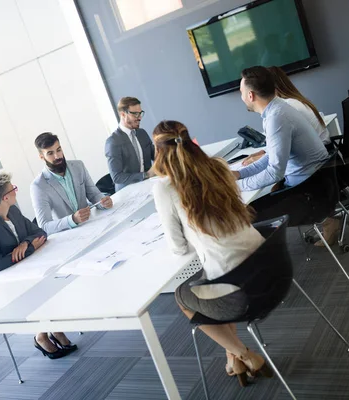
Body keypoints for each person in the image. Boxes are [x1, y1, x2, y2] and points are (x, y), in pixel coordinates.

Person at [152, 120, 277, 387]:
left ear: (158, 151)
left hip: (240, 294)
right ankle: (233, 358)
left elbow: (178, 247)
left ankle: (246, 355)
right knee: (211, 277)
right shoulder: (219, 167)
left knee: (183, 296)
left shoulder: (164, 187)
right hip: (274, 271)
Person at [0, 171, 76, 359]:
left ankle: (52, 328)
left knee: (49, 282)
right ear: (5, 197)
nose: (16, 191)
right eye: (13, 189)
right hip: (2, 279)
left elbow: (39, 232)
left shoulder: (13, 210)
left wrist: (25, 244)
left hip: (22, 266)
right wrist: (30, 249)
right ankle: (41, 335)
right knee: (39, 289)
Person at [233, 66, 328, 193]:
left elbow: (274, 173)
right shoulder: (277, 109)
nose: (242, 97)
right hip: (315, 179)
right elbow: (271, 157)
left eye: (241, 92)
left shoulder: (276, 117)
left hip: (309, 188)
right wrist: (239, 174)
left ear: (250, 96)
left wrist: (234, 187)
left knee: (252, 208)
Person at [31, 132, 113, 235]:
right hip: (68, 236)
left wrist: (103, 202)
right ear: (42, 157)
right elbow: (44, 226)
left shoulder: (78, 166)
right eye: (50, 153)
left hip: (93, 225)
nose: (57, 156)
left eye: (59, 150)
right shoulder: (38, 186)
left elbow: (94, 194)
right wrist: (72, 219)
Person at [105, 97, 155, 191]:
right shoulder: (113, 142)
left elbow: (156, 155)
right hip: (128, 192)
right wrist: (146, 175)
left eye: (140, 113)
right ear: (123, 114)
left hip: (148, 186)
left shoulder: (142, 133)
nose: (139, 117)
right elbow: (117, 177)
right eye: (135, 114)